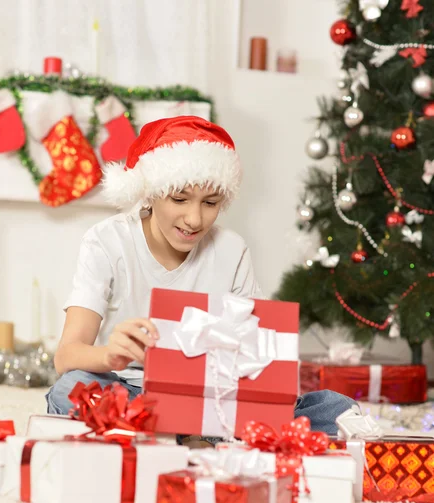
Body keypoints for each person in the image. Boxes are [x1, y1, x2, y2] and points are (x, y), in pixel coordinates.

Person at [47, 115, 356, 444]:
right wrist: (110, 355)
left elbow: (258, 361)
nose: (195, 219)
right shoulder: (107, 242)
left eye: (210, 203)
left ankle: (178, 433)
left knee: (339, 410)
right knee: (70, 390)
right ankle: (197, 435)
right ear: (150, 193)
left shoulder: (232, 249)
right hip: (129, 391)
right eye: (179, 199)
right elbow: (66, 356)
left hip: (215, 396)